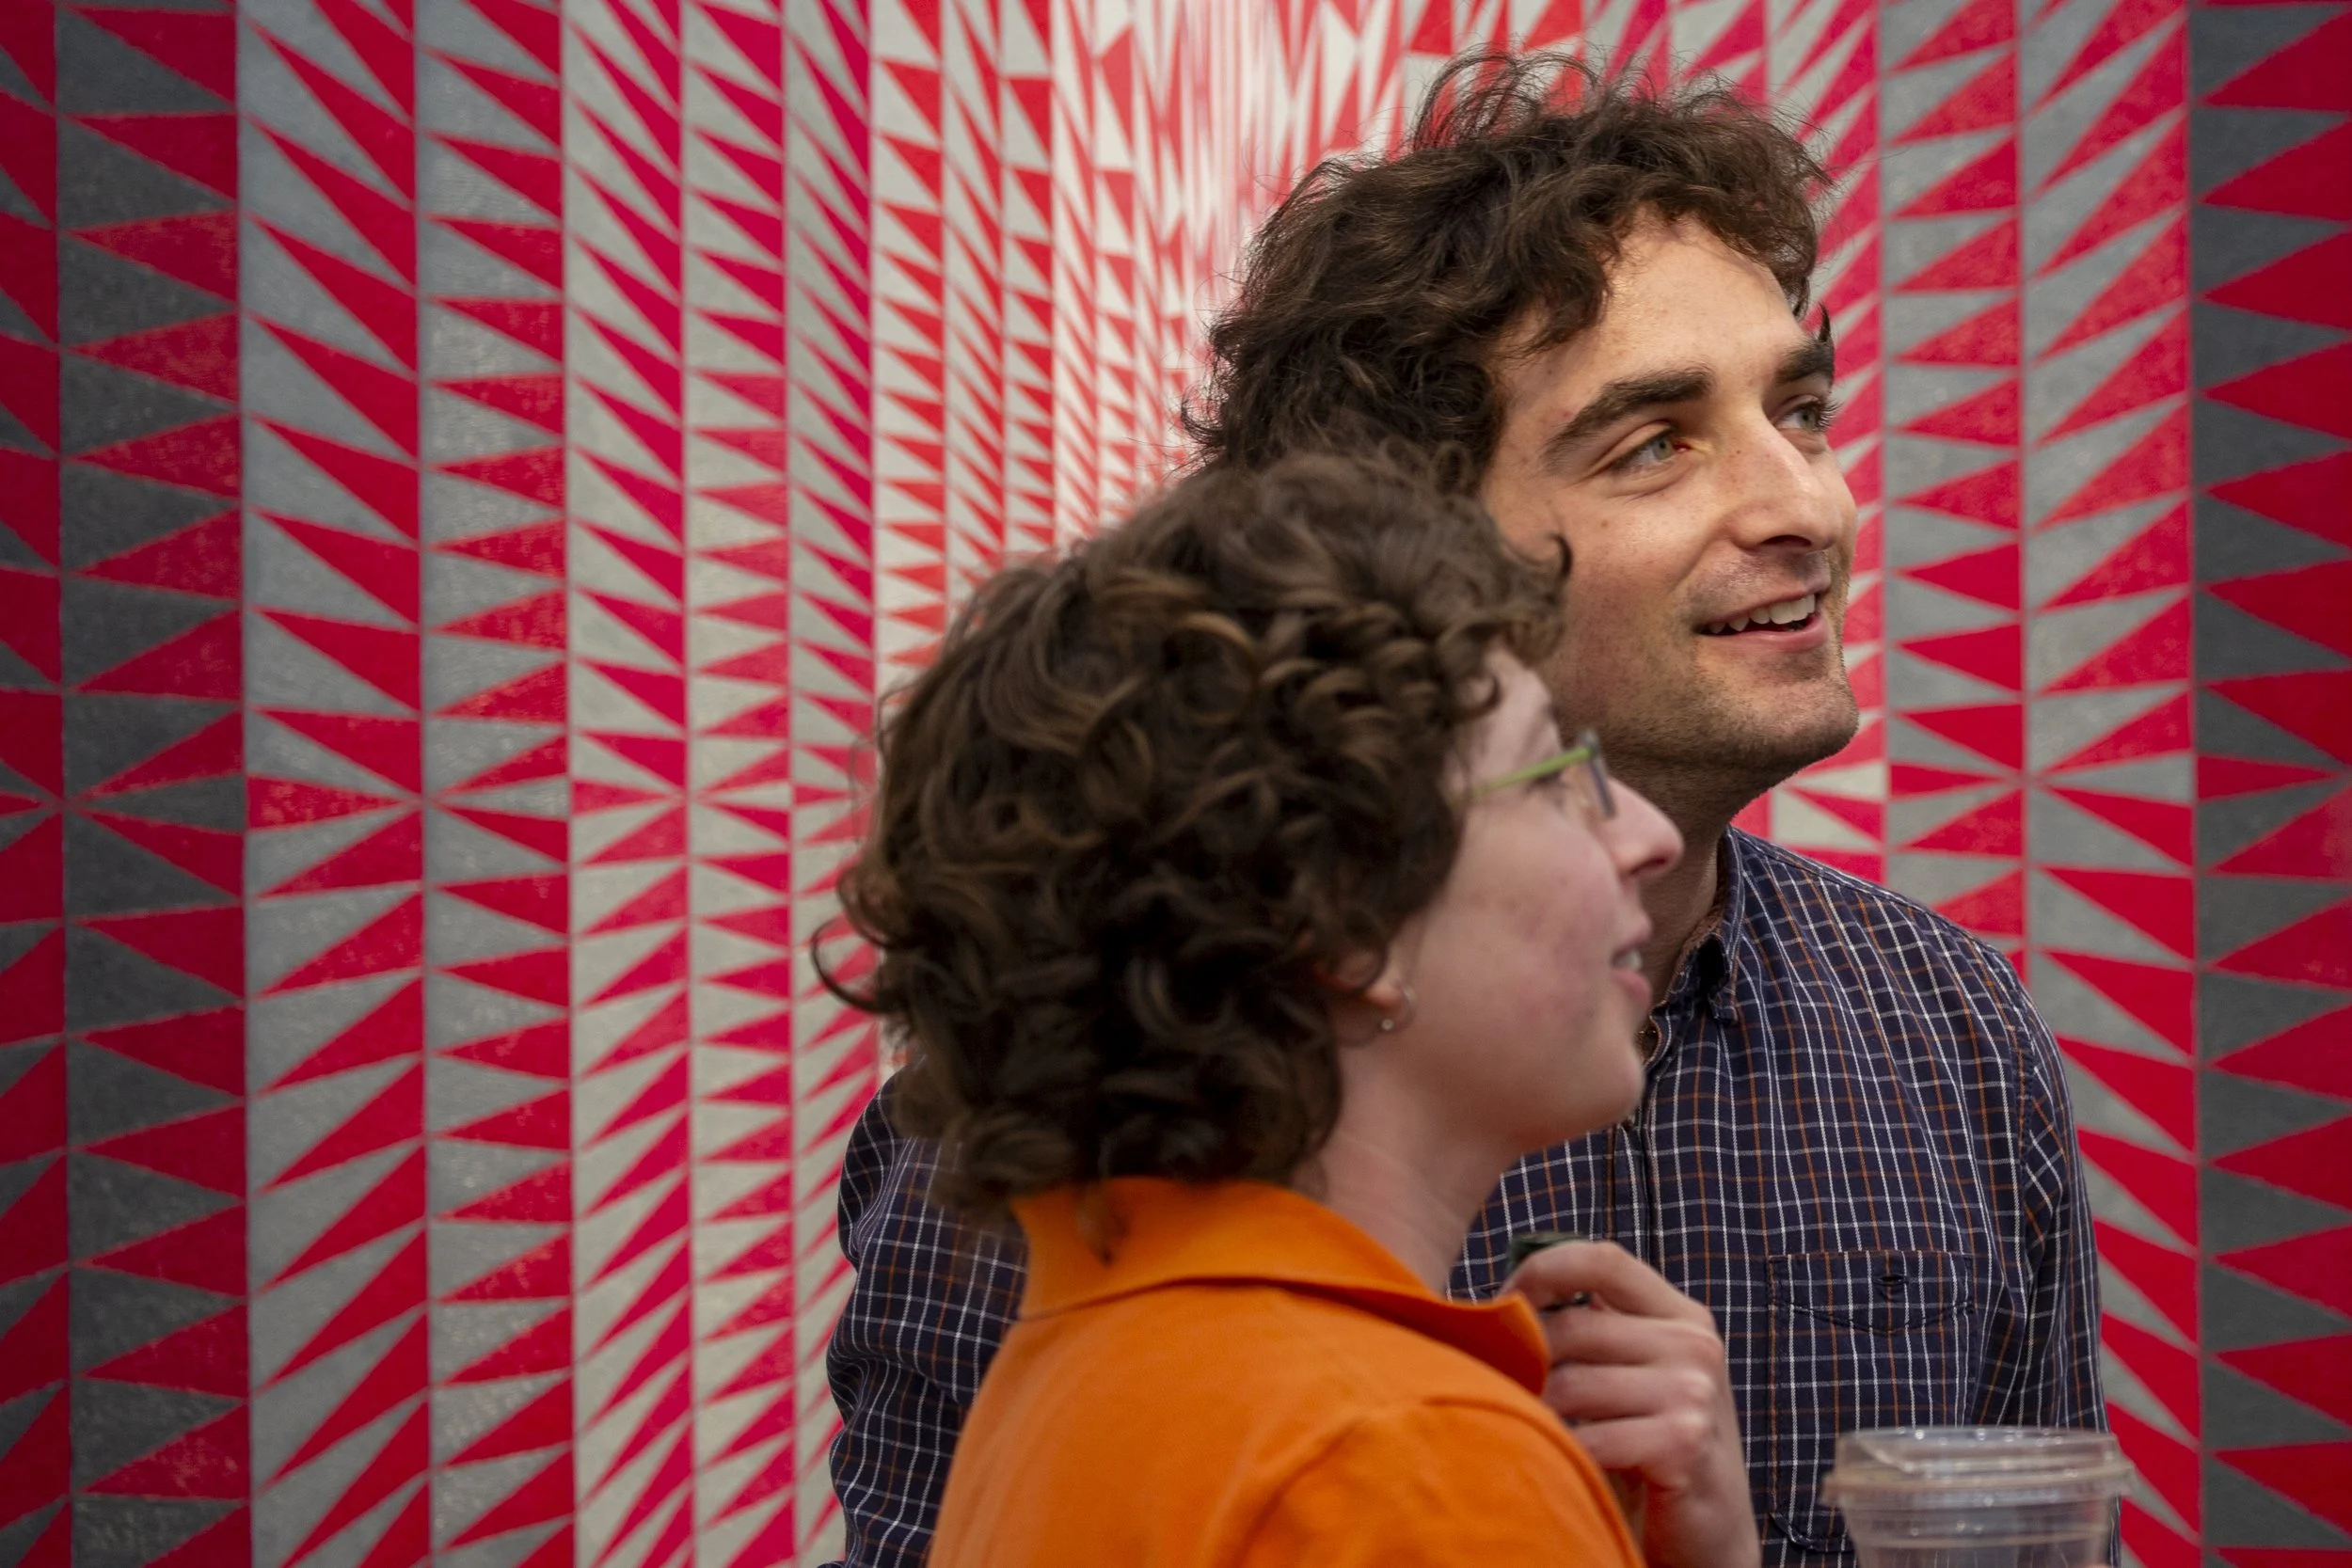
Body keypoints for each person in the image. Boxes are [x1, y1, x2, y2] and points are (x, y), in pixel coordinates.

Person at [826, 53, 2105, 1568]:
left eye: (1803, 410)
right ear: (1405, 558)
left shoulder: (1946, 1029)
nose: (1807, 504)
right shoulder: (1101, 1095)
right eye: (1657, 442)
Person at [828, 451, 1698, 1564]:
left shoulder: (1078, 1371)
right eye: (1549, 775)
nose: (1647, 833)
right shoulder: (1407, 1458)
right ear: (1342, 918)